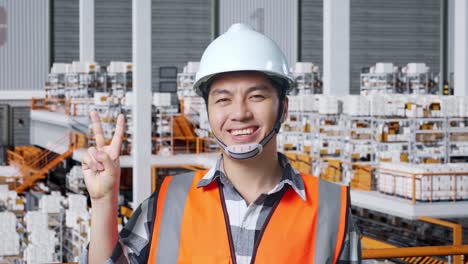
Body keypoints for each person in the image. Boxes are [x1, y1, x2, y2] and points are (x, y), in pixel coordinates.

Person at [80, 23, 361, 264]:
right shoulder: (167, 204)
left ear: (283, 108)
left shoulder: (331, 210)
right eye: (223, 99)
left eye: (257, 96)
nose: (239, 113)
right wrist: (104, 201)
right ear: (208, 112)